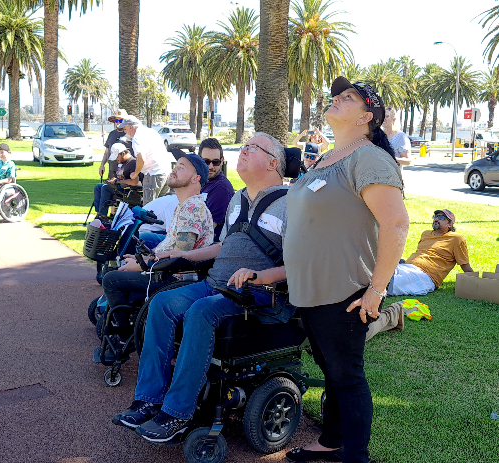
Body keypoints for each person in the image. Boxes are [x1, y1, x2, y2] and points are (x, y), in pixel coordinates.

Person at [112, 133, 294, 443]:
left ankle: (177, 413)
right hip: (215, 285)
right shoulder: (238, 199)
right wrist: (183, 255)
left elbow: (300, 264)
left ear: (274, 162)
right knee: (161, 303)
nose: (244, 151)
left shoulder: (292, 204)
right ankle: (148, 400)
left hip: (256, 295)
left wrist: (259, 276)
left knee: (201, 312)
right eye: (244, 146)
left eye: (252, 148)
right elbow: (221, 246)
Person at [282, 77, 409, 463]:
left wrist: (376, 290)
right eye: (335, 94)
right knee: (333, 372)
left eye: (348, 97)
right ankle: (333, 442)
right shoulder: (325, 157)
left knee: (348, 376)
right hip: (311, 291)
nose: (336, 99)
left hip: (345, 292)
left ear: (366, 117)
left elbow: (396, 224)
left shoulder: (368, 157)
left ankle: (356, 455)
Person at [100, 154, 213, 310]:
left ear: (196, 178)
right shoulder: (184, 206)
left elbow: (179, 257)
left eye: (181, 167)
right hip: (165, 271)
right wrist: (143, 259)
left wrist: (143, 265)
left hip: (172, 278)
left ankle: (123, 329)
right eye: (176, 166)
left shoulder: (192, 208)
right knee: (120, 268)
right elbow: (170, 247)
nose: (174, 170)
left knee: (111, 279)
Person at [388, 208, 473, 296]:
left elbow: (464, 265)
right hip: (407, 267)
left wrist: (477, 281)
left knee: (387, 281)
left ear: (450, 224)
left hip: (425, 276)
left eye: (441, 218)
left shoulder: (456, 239)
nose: (436, 219)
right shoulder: (426, 234)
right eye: (435, 216)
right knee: (379, 270)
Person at [119, 116, 176, 204]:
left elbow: (141, 158)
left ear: (130, 127)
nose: (124, 131)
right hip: (167, 172)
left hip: (153, 174)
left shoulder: (137, 137)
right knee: (161, 207)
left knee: (148, 208)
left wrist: (135, 173)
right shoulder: (151, 131)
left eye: (125, 128)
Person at [197, 138, 235, 242]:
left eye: (216, 162)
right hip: (187, 235)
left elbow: (206, 230)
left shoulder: (221, 188)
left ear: (222, 161)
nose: (210, 166)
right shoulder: (200, 181)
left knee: (148, 238)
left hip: (204, 246)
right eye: (206, 161)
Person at [92, 143, 142, 217]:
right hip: (120, 187)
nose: (116, 159)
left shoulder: (132, 163)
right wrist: (113, 180)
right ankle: (99, 212)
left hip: (128, 191)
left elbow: (135, 182)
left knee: (105, 188)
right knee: (98, 187)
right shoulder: (121, 163)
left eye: (117, 157)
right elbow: (120, 177)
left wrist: (118, 181)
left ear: (123, 154)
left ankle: (103, 216)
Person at [99, 109, 133, 180]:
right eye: (116, 121)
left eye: (121, 120)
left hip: (125, 172)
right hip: (112, 170)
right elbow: (107, 151)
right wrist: (102, 165)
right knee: (109, 189)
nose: (118, 123)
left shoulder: (130, 134)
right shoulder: (111, 134)